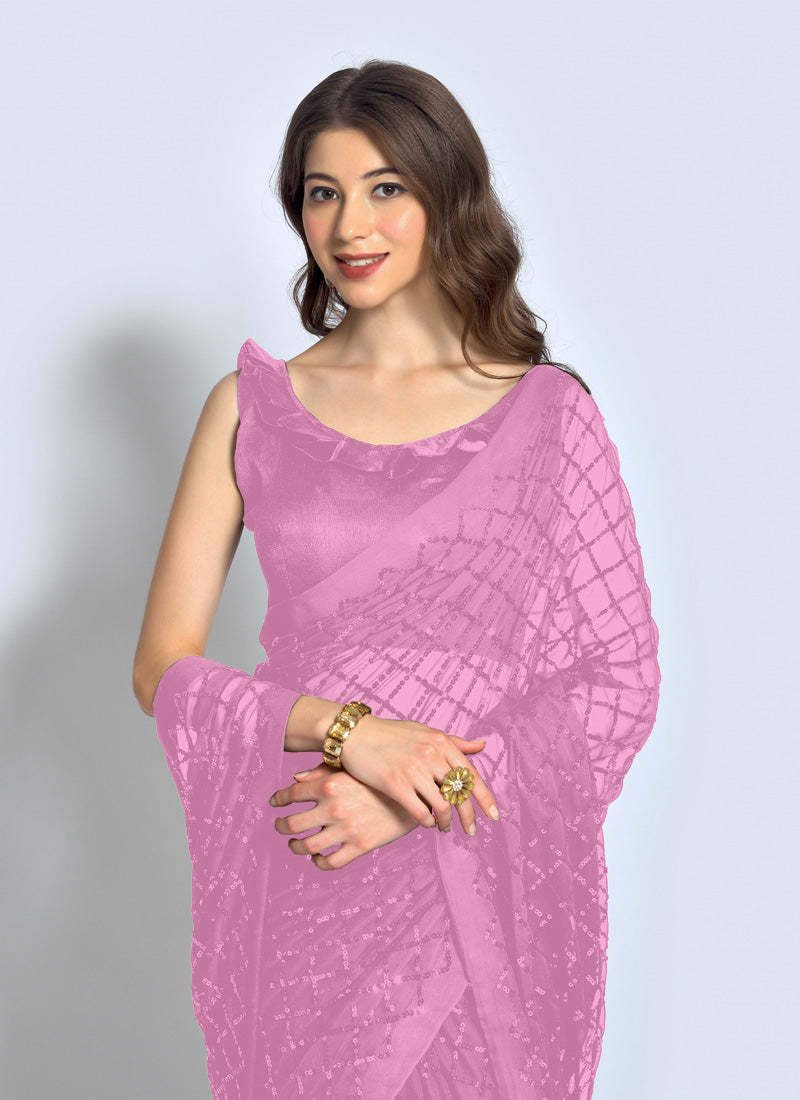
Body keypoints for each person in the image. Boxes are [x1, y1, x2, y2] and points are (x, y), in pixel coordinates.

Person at [133, 59, 661, 1100]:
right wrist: (353, 736)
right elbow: (163, 667)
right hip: (314, 864)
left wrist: (421, 799)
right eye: (321, 193)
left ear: (445, 195)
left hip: (477, 902)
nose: (350, 225)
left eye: (385, 187)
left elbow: (619, 680)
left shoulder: (549, 417)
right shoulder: (249, 409)